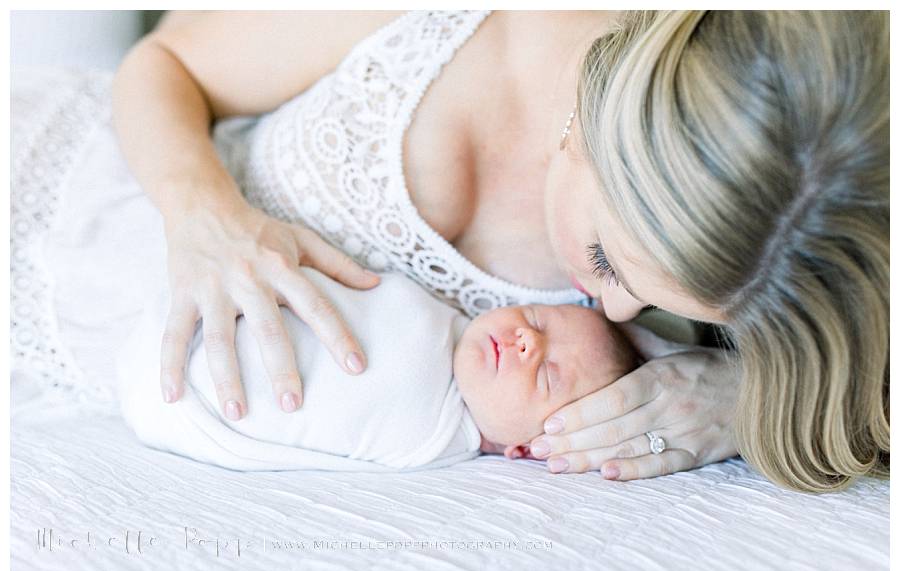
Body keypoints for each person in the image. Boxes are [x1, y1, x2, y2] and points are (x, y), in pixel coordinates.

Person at [110, 10, 888, 492]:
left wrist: (741, 397)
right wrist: (202, 212)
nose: (613, 308)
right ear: (584, 121)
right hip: (88, 188)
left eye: (652, 306)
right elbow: (162, 65)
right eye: (607, 260)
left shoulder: (777, 216)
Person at [116, 268, 638, 471]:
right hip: (188, 303)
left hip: (182, 402)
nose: (528, 341)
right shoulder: (435, 307)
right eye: (535, 319)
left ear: (526, 447)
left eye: (546, 376)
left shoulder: (431, 438)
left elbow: (322, 463)